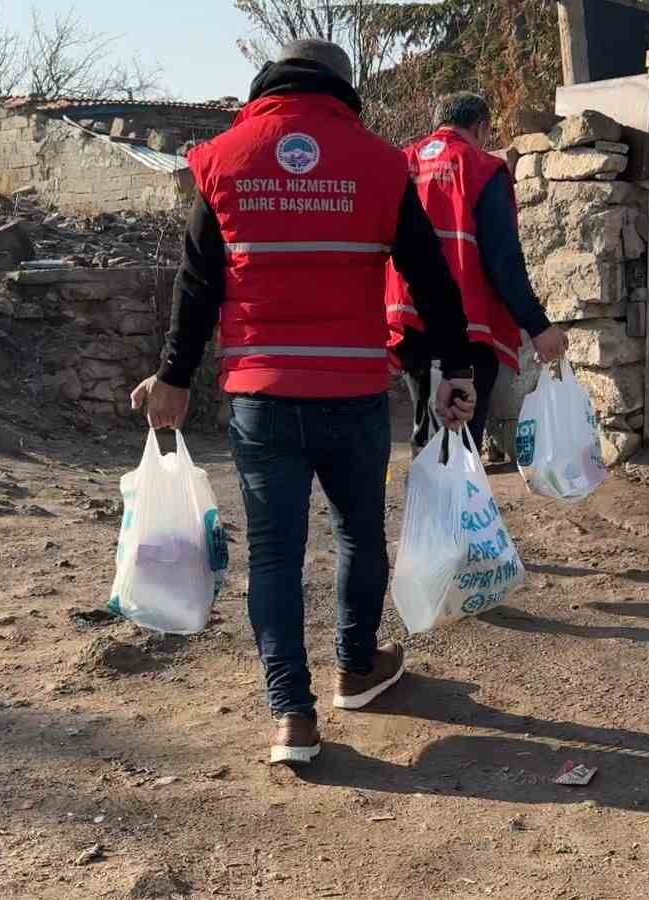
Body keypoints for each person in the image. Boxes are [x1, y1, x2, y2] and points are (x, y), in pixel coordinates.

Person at [129, 39, 476, 766]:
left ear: (269, 81)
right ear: (344, 87)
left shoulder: (223, 158)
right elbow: (431, 276)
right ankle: (356, 666)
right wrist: (454, 367)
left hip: (262, 393)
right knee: (358, 535)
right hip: (353, 389)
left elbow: (198, 285)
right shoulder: (382, 164)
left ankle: (292, 714)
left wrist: (174, 378)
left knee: (278, 557)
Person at [386, 92, 568, 454]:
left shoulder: (398, 163)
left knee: (429, 433)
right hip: (464, 325)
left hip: (407, 320)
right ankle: (452, 509)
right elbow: (503, 258)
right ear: (481, 126)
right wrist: (537, 325)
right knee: (458, 439)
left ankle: (429, 505)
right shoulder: (482, 168)